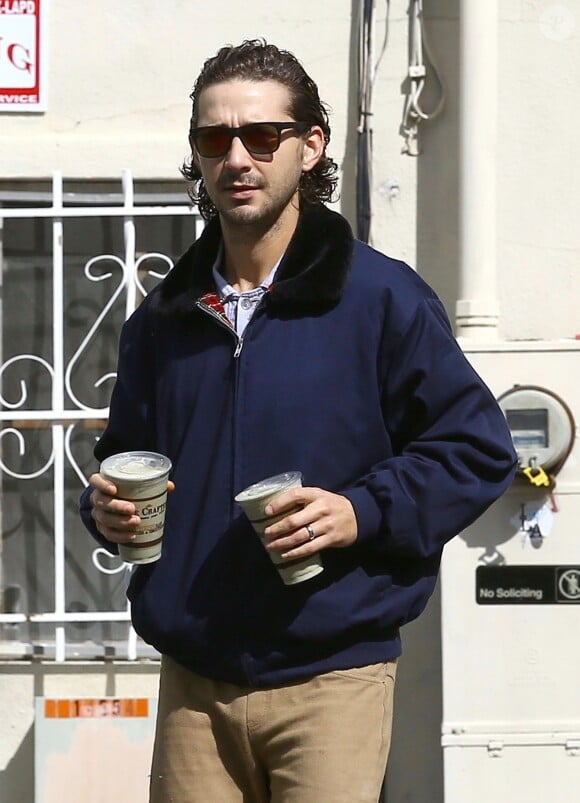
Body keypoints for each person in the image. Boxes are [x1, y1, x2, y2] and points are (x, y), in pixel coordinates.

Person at [79, 39, 517, 803]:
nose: (237, 158)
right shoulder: (164, 319)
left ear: (311, 146)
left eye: (261, 136)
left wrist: (358, 509)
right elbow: (126, 457)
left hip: (333, 675)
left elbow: (476, 450)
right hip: (194, 677)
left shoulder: (382, 300)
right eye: (214, 140)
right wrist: (104, 506)